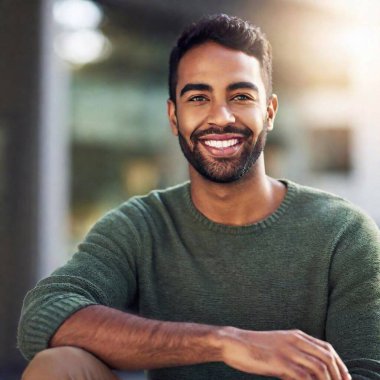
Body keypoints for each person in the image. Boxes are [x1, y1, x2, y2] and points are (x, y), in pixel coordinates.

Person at [18, 14, 380, 380]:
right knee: (58, 367)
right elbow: (45, 314)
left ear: (269, 112)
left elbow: (368, 371)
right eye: (198, 97)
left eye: (240, 96)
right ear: (174, 116)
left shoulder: (343, 234)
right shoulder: (141, 227)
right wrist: (224, 342)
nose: (220, 117)